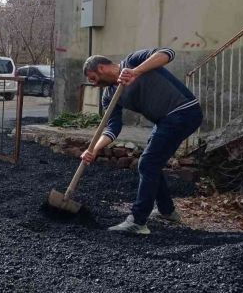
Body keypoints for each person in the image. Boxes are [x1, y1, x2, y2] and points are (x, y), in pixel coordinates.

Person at [80, 48, 202, 234]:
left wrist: (136, 72)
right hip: (164, 121)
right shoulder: (109, 95)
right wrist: (94, 150)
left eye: (93, 78)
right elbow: (113, 128)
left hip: (184, 111)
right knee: (151, 163)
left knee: (148, 163)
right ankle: (167, 211)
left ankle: (138, 221)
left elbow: (167, 53)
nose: (93, 83)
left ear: (102, 68)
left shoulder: (132, 61)